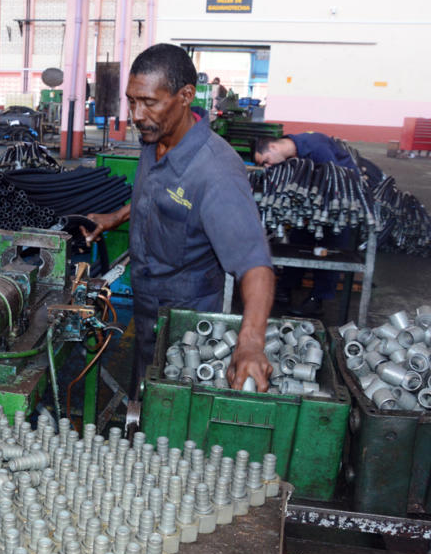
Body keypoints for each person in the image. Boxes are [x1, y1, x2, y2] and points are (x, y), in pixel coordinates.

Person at [83, 44, 275, 392]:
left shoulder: (216, 171)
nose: (137, 115)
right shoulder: (154, 137)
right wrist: (117, 217)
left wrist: (250, 342)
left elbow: (255, 265)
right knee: (143, 386)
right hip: (145, 297)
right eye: (131, 101)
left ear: (186, 96)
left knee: (169, 397)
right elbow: (162, 194)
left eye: (149, 102)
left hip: (185, 317)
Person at [253, 134, 360, 317]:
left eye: (266, 161)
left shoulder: (316, 148)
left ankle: (317, 300)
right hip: (310, 201)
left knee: (329, 250)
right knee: (298, 241)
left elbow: (332, 180)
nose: (267, 167)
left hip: (337, 201)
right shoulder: (292, 154)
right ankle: (285, 288)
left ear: (273, 147)